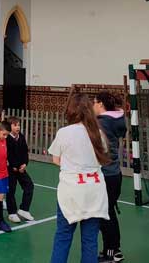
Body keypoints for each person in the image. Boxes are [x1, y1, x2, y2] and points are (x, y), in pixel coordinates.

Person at [48, 93, 109, 263]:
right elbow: (101, 158)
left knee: (63, 235)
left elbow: (56, 159)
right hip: (95, 190)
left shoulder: (65, 132)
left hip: (72, 190)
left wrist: (72, 166)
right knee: (90, 240)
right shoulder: (98, 133)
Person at [93, 92, 127, 263]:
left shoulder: (102, 123)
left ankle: (113, 251)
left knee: (105, 215)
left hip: (106, 174)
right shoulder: (118, 120)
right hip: (115, 174)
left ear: (100, 104)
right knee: (108, 212)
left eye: (94, 103)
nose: (92, 106)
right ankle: (112, 249)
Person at [6, 116, 35, 223]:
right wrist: (13, 166)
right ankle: (12, 213)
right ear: (10, 126)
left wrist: (24, 164)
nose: (17, 127)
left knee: (29, 185)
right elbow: (8, 154)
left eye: (18, 125)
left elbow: (24, 152)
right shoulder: (7, 139)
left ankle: (24, 209)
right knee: (11, 191)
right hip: (10, 170)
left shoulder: (21, 137)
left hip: (20, 169)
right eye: (15, 125)